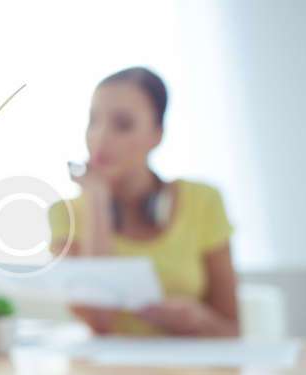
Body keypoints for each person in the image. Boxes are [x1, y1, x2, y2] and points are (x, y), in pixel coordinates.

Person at [48, 67, 239, 337]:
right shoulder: (64, 214)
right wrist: (97, 201)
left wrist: (198, 320)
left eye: (123, 125)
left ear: (157, 135)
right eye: (93, 121)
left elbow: (232, 330)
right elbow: (99, 319)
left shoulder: (203, 201)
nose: (100, 138)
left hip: (191, 374)